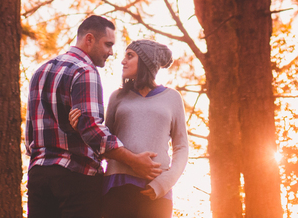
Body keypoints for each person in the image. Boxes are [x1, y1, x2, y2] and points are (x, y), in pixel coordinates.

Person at [26, 15, 163, 218]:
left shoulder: (40, 71)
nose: (111, 52)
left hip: (38, 177)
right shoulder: (84, 71)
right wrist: (133, 160)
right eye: (108, 44)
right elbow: (92, 130)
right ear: (89, 39)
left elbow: (30, 138)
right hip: (76, 179)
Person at [70, 39, 189, 218]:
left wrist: (163, 183)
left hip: (156, 192)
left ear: (145, 61)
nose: (123, 61)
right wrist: (79, 127)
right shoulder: (117, 97)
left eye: (130, 56)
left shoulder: (172, 98)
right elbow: (103, 143)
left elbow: (181, 147)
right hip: (116, 188)